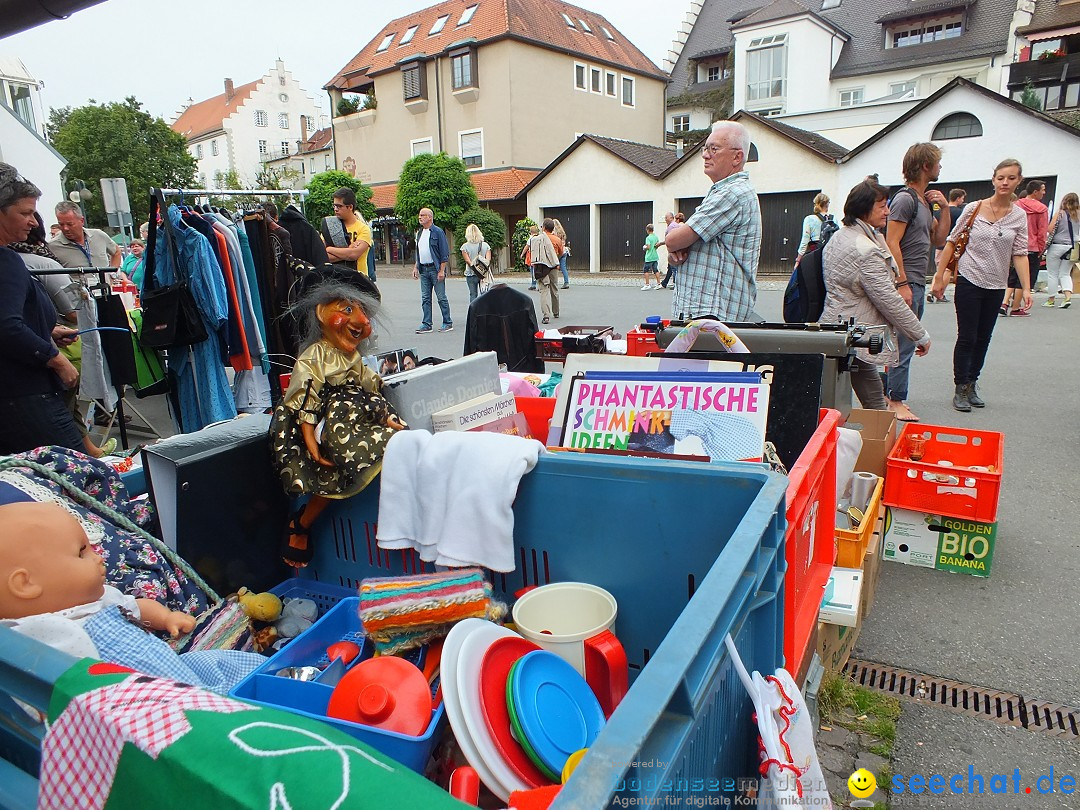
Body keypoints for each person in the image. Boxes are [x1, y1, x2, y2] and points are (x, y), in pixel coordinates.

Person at [0, 502, 265, 694]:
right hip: (149, 699)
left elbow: (136, 607)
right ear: (25, 584)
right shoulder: (39, 636)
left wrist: (166, 617)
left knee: (222, 662)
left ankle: (270, 680)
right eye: (82, 552)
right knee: (218, 690)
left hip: (172, 670)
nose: (98, 557)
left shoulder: (98, 599)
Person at [270, 274, 406, 567]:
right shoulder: (315, 355)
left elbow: (370, 383)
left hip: (351, 422)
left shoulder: (353, 358)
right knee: (330, 477)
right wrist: (308, 431)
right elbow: (306, 388)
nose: (360, 321)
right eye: (346, 310)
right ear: (322, 312)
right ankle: (302, 523)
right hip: (324, 425)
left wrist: (387, 409)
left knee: (377, 454)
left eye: (363, 313)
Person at [821, 179, 931, 410]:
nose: (888, 211)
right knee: (852, 404)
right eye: (882, 206)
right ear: (864, 208)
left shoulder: (843, 236)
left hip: (841, 329)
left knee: (869, 400)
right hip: (853, 333)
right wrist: (919, 335)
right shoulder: (865, 250)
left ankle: (878, 436)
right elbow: (889, 300)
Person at [932, 159, 1029, 412]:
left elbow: (1019, 253)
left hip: (997, 284)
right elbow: (952, 241)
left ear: (1018, 180)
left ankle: (972, 382)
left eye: (1010, 178)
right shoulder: (974, 208)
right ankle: (960, 387)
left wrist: (1027, 288)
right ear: (993, 180)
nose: (1005, 182)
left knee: (984, 338)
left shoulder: (1019, 216)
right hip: (969, 280)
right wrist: (939, 275)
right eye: (1000, 178)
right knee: (967, 336)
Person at [0, 164, 83, 454]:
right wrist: (55, 359)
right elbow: (6, 327)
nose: (34, 221)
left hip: (14, 394)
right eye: (25, 213)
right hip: (26, 394)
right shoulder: (5, 261)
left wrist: (46, 329)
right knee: (83, 478)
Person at [663, 121, 762, 321]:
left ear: (737, 157)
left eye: (714, 149)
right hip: (708, 313)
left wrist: (675, 245)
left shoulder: (732, 193)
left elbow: (673, 240)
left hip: (713, 316)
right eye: (705, 148)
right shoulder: (722, 191)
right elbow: (679, 247)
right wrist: (675, 255)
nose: (705, 155)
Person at [882, 143, 951, 423]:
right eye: (937, 163)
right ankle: (894, 399)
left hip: (916, 280)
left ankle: (888, 394)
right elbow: (891, 241)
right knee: (905, 341)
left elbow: (939, 240)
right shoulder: (905, 199)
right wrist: (901, 283)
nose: (940, 167)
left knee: (902, 340)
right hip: (907, 279)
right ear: (925, 166)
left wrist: (944, 209)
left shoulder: (924, 202)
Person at [1007, 179, 1048, 315]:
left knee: (1012, 276)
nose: (1044, 192)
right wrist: (1041, 248)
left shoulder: (1017, 205)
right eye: (1042, 190)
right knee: (1025, 278)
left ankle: (1004, 302)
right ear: (1035, 192)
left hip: (1015, 245)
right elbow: (1042, 231)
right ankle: (1016, 308)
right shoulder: (1042, 209)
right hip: (1032, 246)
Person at [50, 201, 123, 277]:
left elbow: (116, 252)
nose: (65, 228)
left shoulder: (98, 235)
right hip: (78, 288)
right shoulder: (52, 247)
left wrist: (112, 275)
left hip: (103, 287)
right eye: (61, 224)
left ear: (82, 221)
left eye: (70, 224)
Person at [412, 207, 452, 334]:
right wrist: (416, 267)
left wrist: (441, 270)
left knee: (441, 297)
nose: (420, 217)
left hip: (435, 269)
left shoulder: (438, 232)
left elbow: (444, 253)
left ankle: (447, 322)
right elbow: (419, 252)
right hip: (424, 269)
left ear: (430, 217)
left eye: (423, 215)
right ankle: (427, 323)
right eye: (419, 215)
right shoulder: (419, 233)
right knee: (425, 298)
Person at [321, 187, 373, 276]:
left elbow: (353, 255)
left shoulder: (363, 229)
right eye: (334, 205)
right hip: (335, 280)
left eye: (339, 206)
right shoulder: (330, 227)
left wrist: (329, 249)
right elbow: (322, 256)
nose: (335, 209)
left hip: (359, 281)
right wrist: (348, 250)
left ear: (350, 207)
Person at [1044, 192, 1078, 309]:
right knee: (1065, 273)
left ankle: (1051, 299)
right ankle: (1067, 297)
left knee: (1052, 273)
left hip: (1057, 246)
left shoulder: (1060, 213)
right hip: (1072, 247)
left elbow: (1049, 228)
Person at [529, 219, 562, 324]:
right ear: (553, 228)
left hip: (542, 267)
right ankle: (556, 311)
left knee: (544, 291)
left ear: (543, 227)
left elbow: (532, 253)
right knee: (554, 289)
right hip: (553, 267)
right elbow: (561, 253)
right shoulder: (557, 239)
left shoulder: (536, 239)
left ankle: (546, 315)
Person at [459, 223, 492, 303]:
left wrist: (474, 267)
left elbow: (467, 261)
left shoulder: (465, 247)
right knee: (484, 294)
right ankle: (485, 312)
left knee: (473, 294)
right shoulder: (485, 245)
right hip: (483, 274)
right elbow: (488, 260)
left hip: (471, 273)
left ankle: (473, 313)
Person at [796, 193, 831, 262]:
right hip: (829, 255)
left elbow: (805, 240)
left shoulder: (809, 219)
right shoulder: (833, 219)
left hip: (815, 253)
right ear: (827, 204)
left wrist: (798, 259)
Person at [659, 212, 683, 289]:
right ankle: (665, 283)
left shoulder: (672, 226)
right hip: (675, 250)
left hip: (674, 251)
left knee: (674, 268)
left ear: (671, 218)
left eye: (666, 218)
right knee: (671, 267)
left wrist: (661, 243)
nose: (665, 219)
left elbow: (670, 239)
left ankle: (676, 285)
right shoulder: (675, 225)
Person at [641, 224, 662, 290]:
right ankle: (659, 283)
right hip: (655, 256)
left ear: (647, 230)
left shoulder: (648, 238)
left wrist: (644, 247)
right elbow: (657, 245)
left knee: (646, 270)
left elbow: (648, 247)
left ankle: (647, 284)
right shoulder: (655, 237)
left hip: (649, 257)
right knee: (655, 270)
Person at [552, 218, 571, 289]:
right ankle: (566, 282)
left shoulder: (555, 233)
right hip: (564, 251)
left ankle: (554, 282)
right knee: (563, 268)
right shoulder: (562, 232)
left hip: (558, 252)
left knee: (554, 267)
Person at [521, 224, 539, 290]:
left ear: (531, 232)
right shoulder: (539, 238)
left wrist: (522, 254)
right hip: (539, 255)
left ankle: (533, 284)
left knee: (532, 270)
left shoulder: (530, 239)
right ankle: (539, 284)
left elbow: (526, 247)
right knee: (538, 270)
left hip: (532, 255)